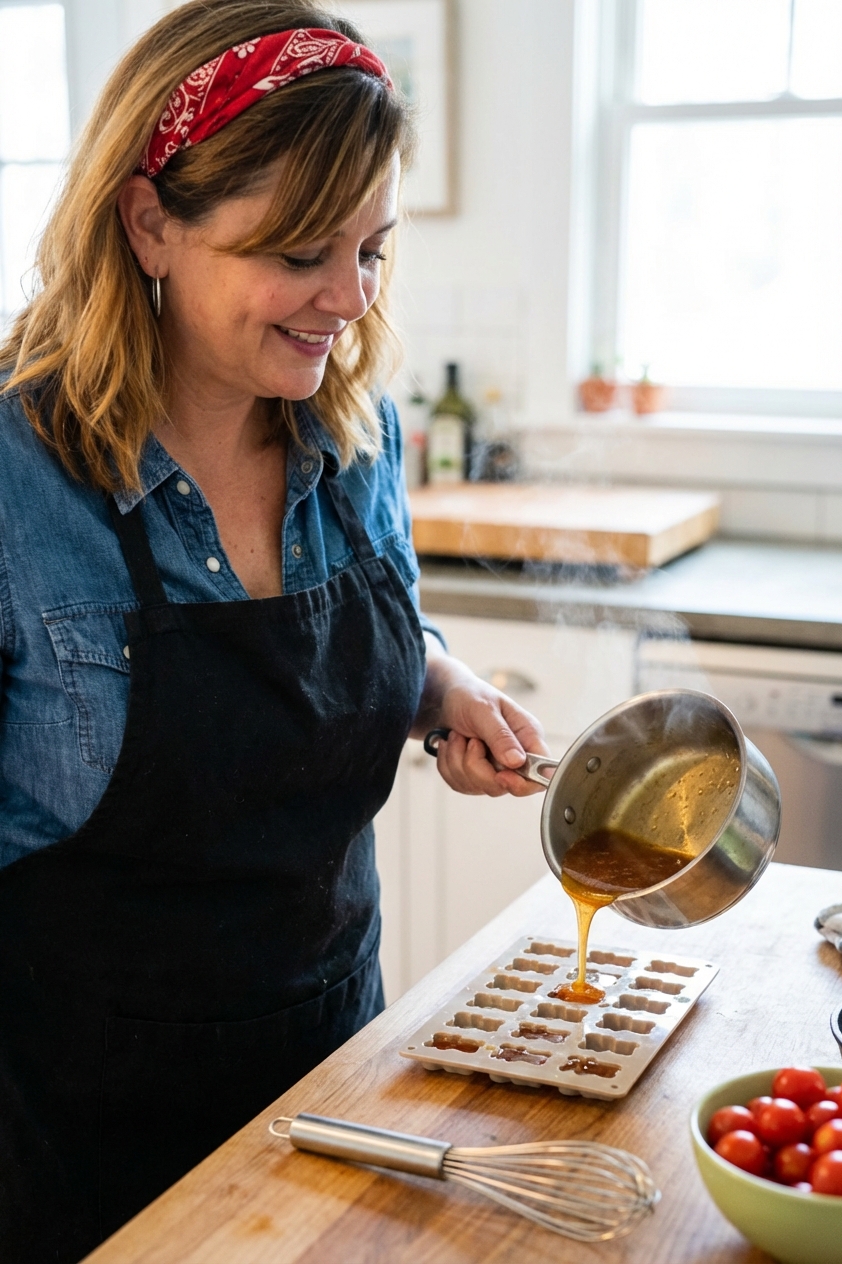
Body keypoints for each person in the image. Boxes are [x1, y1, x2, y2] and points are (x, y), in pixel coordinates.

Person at [0, 3, 548, 1259]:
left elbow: (367, 634)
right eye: (303, 252)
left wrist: (439, 681)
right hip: (71, 1146)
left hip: (336, 1084)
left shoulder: (353, 434)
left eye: (374, 249)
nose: (348, 299)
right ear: (150, 223)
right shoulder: (16, 472)